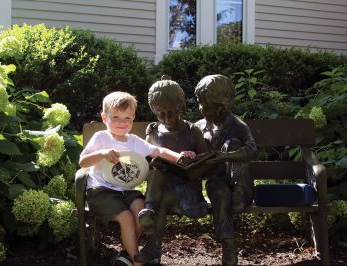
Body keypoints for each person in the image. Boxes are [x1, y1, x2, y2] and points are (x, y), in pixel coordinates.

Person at [79, 91, 195, 266]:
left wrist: (179, 156)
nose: (122, 123)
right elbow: (83, 161)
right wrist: (102, 153)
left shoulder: (133, 141)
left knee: (142, 211)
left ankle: (127, 254)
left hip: (126, 191)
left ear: (133, 118)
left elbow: (158, 151)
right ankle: (136, 261)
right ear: (104, 118)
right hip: (101, 191)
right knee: (126, 218)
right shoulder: (101, 138)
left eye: (127, 118)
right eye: (116, 117)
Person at [134, 77, 209, 264]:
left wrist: (193, 156)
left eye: (172, 112)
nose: (167, 117)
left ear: (181, 105)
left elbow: (208, 162)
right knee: (157, 172)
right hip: (162, 187)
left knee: (162, 201)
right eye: (161, 113)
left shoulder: (192, 130)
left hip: (187, 190)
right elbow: (147, 163)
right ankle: (150, 216)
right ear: (153, 109)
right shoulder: (153, 132)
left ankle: (153, 245)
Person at [194, 74, 257, 266]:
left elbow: (251, 149)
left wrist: (225, 156)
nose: (200, 108)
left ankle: (238, 192)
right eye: (199, 103)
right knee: (220, 193)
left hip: (241, 184)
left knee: (233, 144)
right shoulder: (199, 127)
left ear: (219, 105)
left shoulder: (236, 124)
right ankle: (228, 244)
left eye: (203, 103)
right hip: (217, 180)